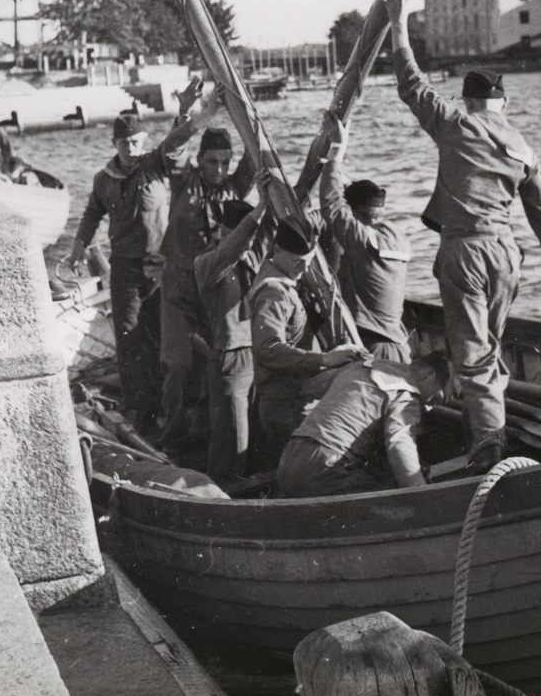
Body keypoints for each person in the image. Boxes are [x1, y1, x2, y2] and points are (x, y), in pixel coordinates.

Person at [385, 0, 541, 474]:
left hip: (465, 254)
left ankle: (489, 448)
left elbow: (410, 82)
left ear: (468, 101)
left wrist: (398, 23)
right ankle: (485, 428)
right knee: (488, 350)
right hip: (507, 256)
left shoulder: (455, 122)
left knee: (473, 358)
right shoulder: (523, 147)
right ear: (503, 104)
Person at [64, 84, 206, 433]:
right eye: (124, 143)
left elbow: (176, 140)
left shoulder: (156, 165)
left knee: (164, 337)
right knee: (128, 338)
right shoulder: (103, 179)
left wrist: (186, 111)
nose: (131, 149)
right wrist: (79, 246)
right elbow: (92, 214)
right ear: (114, 145)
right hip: (125, 270)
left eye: (136, 142)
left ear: (144, 140)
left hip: (161, 268)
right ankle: (140, 413)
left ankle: (171, 405)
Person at [159, 109, 255, 448]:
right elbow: (171, 147)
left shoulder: (235, 187)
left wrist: (243, 113)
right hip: (179, 289)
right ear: (199, 160)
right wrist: (204, 113)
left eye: (225, 162)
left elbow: (258, 155)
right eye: (211, 162)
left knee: (211, 364)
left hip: (213, 294)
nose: (218, 170)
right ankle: (172, 436)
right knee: (180, 365)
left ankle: (201, 433)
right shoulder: (185, 180)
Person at [249, 216, 366, 469]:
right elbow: (267, 350)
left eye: (309, 261)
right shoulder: (273, 293)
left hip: (296, 397)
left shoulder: (288, 278)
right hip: (285, 406)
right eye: (297, 262)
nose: (303, 269)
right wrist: (325, 359)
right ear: (277, 251)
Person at [277, 351, 453, 498]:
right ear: (427, 374)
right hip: (326, 469)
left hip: (289, 459)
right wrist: (423, 497)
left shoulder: (362, 366)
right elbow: (400, 447)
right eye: (437, 398)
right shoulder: (406, 396)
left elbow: (311, 387)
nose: (429, 407)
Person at [192, 184, 273, 481]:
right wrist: (260, 207)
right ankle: (221, 501)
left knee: (257, 440)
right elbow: (236, 246)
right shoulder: (207, 264)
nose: (248, 245)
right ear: (224, 233)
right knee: (232, 444)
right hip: (231, 361)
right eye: (240, 236)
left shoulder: (250, 258)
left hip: (258, 355)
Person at [319, 113, 412, 362]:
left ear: (355, 215)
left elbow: (331, 204)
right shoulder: (397, 236)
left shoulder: (361, 239)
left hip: (372, 348)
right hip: (399, 348)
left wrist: (337, 149)